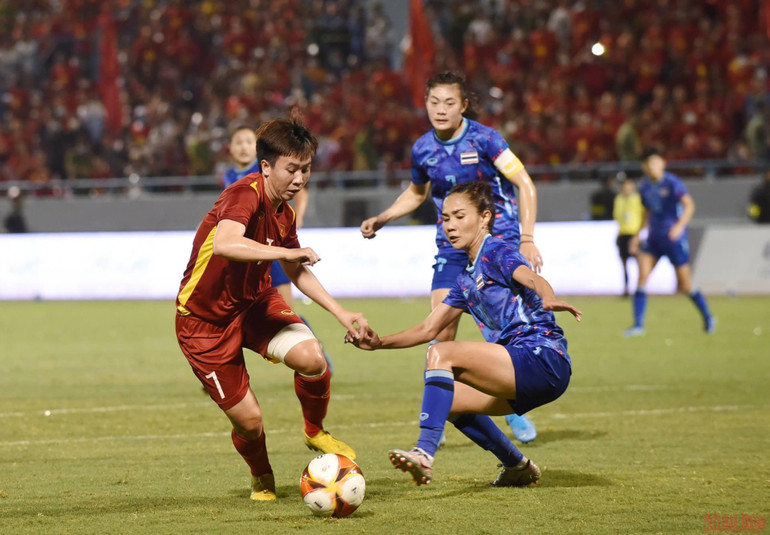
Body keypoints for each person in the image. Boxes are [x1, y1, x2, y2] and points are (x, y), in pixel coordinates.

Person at [175, 115, 367, 502]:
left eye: (306, 169)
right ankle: (262, 475)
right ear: (266, 167)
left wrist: (340, 312)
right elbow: (227, 243)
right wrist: (285, 252)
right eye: (291, 169)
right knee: (249, 421)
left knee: (313, 358)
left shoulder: (285, 211)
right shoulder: (243, 194)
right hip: (204, 323)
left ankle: (314, 430)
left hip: (254, 304)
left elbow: (296, 269)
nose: (299, 179)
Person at [347, 182, 581, 487]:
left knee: (441, 353)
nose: (450, 226)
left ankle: (424, 453)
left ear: (485, 217)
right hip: (525, 371)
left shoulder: (496, 251)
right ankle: (517, 466)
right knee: (451, 401)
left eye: (459, 216)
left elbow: (532, 278)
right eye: (446, 218)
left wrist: (547, 296)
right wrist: (378, 343)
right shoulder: (465, 279)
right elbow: (428, 328)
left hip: (541, 356)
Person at [360, 71, 541, 443]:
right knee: (440, 329)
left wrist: (526, 238)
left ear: (463, 106)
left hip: (496, 244)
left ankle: (512, 408)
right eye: (433, 102)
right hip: (451, 247)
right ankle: (438, 413)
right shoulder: (422, 148)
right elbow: (417, 193)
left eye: (449, 102)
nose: (440, 109)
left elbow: (524, 183)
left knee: (501, 330)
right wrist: (384, 217)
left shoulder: (487, 139)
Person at [223, 125, 333, 373]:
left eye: (248, 142)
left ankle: (315, 352)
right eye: (238, 142)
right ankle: (222, 367)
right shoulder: (228, 176)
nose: (243, 147)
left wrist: (298, 217)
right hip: (247, 252)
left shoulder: (264, 170)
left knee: (285, 311)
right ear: (230, 149)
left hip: (271, 250)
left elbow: (300, 193)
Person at [624, 147, 714, 336]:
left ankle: (708, 317)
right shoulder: (645, 187)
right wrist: (637, 235)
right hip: (654, 240)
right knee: (642, 278)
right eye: (649, 163)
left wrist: (679, 227)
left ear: (662, 163)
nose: (653, 166)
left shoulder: (673, 182)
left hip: (674, 240)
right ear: (644, 167)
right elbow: (646, 213)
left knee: (685, 285)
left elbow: (689, 205)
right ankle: (638, 325)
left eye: (656, 162)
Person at [613, 177, 644, 296]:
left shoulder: (637, 199)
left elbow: (643, 215)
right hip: (622, 234)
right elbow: (616, 216)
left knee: (639, 262)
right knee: (624, 263)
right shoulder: (619, 199)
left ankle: (640, 288)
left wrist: (638, 235)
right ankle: (626, 288)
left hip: (633, 234)